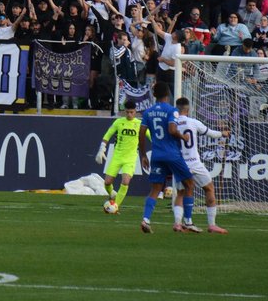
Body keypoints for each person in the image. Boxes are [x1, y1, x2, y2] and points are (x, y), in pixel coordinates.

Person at [138, 81, 195, 233]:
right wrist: (182, 137)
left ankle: (146, 219)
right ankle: (188, 222)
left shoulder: (148, 112)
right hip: (172, 154)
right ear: (167, 95)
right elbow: (171, 129)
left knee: (156, 189)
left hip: (156, 155)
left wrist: (143, 154)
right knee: (189, 184)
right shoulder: (172, 110)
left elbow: (141, 133)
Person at [169, 97, 228, 234]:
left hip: (180, 163)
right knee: (209, 188)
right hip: (194, 162)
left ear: (176, 109)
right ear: (188, 110)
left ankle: (178, 223)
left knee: (181, 193)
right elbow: (211, 134)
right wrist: (223, 134)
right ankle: (212, 225)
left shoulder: (172, 124)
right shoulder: (193, 122)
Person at [95, 99, 141, 213]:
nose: (129, 114)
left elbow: (151, 137)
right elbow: (108, 134)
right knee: (107, 182)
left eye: (132, 112)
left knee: (125, 181)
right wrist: (102, 149)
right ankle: (112, 195)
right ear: (125, 111)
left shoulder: (139, 124)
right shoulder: (119, 122)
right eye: (127, 112)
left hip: (130, 158)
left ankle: (115, 206)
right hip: (117, 156)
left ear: (135, 112)